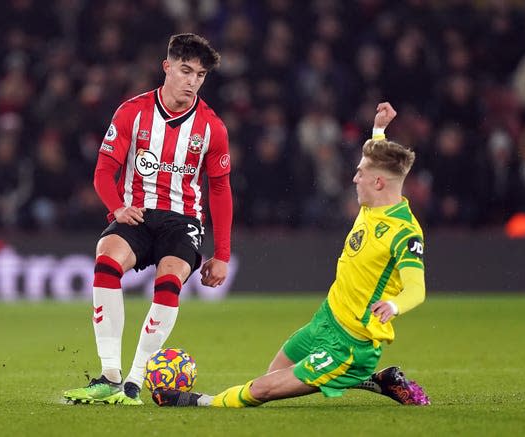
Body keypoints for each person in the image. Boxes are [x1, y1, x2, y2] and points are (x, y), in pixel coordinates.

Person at [153, 102, 430, 408]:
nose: (354, 179)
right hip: (327, 319)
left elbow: (416, 289)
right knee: (272, 374)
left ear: (378, 182)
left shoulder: (404, 232)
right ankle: (376, 380)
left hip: (351, 343)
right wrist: (379, 128)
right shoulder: (375, 201)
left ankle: (199, 402)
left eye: (360, 173)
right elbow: (379, 160)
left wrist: (394, 304)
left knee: (262, 391)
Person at [64, 33, 232, 405]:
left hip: (182, 221)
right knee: (106, 259)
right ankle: (109, 375)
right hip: (137, 214)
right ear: (167, 67)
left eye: (200, 75)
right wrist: (116, 209)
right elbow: (103, 171)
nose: (192, 81)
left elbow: (220, 191)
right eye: (186, 71)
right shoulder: (132, 111)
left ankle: (135, 381)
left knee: (169, 281)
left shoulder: (211, 127)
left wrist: (222, 252)